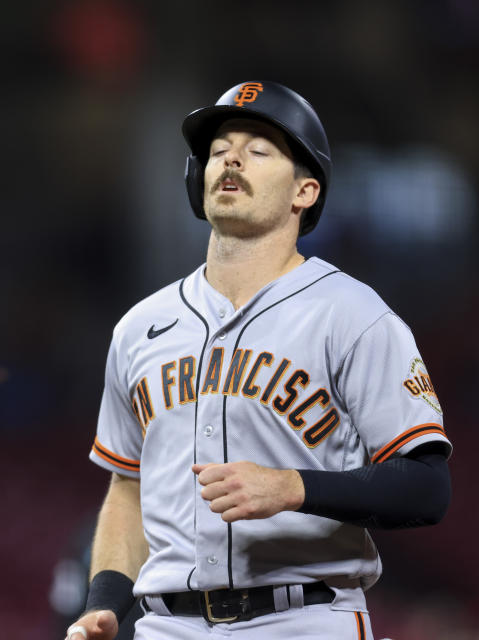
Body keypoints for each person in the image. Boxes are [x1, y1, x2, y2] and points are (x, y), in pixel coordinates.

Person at [65, 81, 452, 640]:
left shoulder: (354, 315)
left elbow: (426, 488)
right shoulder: (138, 329)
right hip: (167, 626)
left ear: (306, 191)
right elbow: (127, 491)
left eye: (260, 149)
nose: (232, 158)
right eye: (220, 149)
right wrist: (103, 601)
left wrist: (293, 487)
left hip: (306, 618)